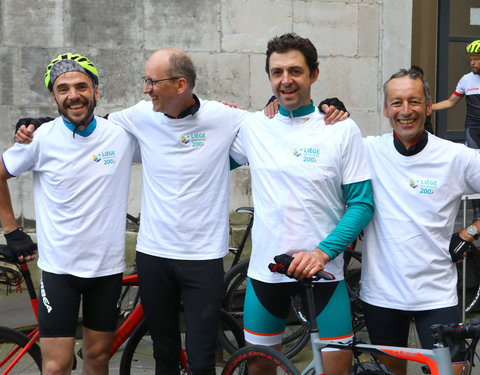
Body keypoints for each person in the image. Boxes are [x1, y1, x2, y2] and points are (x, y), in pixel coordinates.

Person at [13, 47, 350, 374]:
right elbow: (89, 124)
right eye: (145, 82)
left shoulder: (224, 116)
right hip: (154, 255)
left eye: (152, 82)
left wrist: (326, 109)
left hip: (203, 257)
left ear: (180, 85)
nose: (146, 90)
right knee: (164, 355)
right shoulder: (139, 116)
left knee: (201, 360)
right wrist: (40, 125)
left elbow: (275, 123)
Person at [229, 33, 374, 375]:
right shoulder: (254, 126)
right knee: (259, 370)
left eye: (295, 70)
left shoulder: (340, 129)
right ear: (269, 77)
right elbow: (203, 160)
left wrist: (322, 253)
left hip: (324, 272)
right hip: (266, 274)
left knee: (335, 369)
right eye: (276, 72)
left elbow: (362, 204)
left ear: (314, 74)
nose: (285, 80)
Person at [0, 53, 139, 375]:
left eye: (81, 86)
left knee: (98, 358)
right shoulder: (39, 139)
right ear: (54, 97)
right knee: (57, 364)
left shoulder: (121, 136)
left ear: (96, 91)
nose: (73, 95)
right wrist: (12, 230)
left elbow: (172, 139)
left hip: (106, 270)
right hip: (60, 270)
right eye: (63, 89)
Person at [360, 69, 480, 375]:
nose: (405, 111)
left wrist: (470, 232)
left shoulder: (456, 157)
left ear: (428, 107)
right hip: (382, 294)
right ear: (385, 109)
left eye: (414, 101)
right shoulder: (367, 150)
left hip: (436, 294)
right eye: (396, 102)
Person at [432, 40, 480, 220]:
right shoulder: (466, 80)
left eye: (476, 59)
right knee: (475, 168)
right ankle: (477, 214)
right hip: (473, 129)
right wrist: (428, 108)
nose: (472, 62)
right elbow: (451, 102)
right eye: (471, 59)